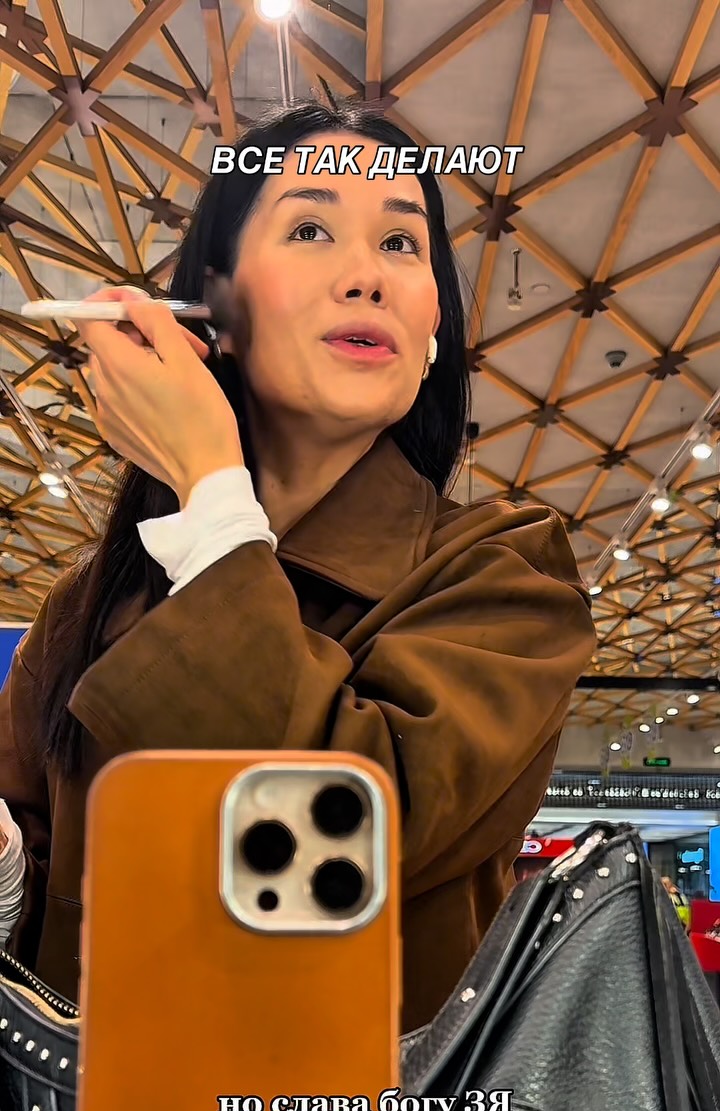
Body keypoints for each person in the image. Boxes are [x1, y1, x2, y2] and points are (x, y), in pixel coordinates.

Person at [0, 101, 595, 1046]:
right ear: (217, 309)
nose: (367, 275)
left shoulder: (508, 576)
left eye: (402, 243)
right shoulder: (90, 602)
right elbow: (37, 887)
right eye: (311, 229)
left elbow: (334, 839)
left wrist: (208, 482)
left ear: (432, 330)